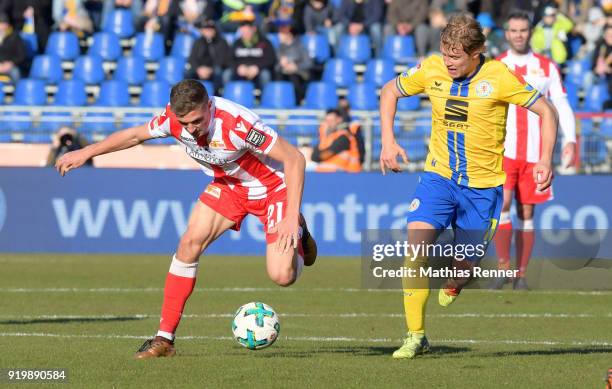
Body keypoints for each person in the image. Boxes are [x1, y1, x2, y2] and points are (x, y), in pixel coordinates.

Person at [55, 79, 318, 359]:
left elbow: (294, 159)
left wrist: (291, 215)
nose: (191, 129)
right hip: (229, 186)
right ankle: (164, 339)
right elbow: (134, 135)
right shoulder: (174, 119)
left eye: (197, 121)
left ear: (209, 105)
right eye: (185, 123)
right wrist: (87, 151)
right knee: (188, 244)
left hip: (272, 189)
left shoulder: (237, 124)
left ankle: (299, 233)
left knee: (282, 275)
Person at [379, 13, 558, 359]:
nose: (448, 62)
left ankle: (457, 280)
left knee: (462, 270)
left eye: (456, 56)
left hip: (483, 188)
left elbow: (547, 111)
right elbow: (389, 91)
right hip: (439, 178)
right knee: (414, 250)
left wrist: (545, 159)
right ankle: (415, 336)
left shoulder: (500, 78)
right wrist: (388, 140)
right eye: (445, 54)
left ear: (477, 53)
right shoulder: (431, 68)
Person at [490, 11, 577, 290]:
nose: (518, 35)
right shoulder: (497, 66)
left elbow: (561, 104)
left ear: (530, 32)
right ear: (507, 33)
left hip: (536, 154)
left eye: (523, 30)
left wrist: (570, 139)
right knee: (502, 205)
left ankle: (521, 274)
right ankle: (504, 268)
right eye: (513, 30)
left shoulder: (546, 67)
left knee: (526, 212)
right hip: (504, 151)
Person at [224, 18, 276, 89]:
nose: (245, 34)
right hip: (240, 71)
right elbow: (229, 59)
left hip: (258, 71)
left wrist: (257, 67)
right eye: (243, 32)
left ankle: (264, 97)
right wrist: (238, 68)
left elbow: (271, 59)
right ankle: (229, 96)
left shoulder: (264, 42)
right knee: (227, 74)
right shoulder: (236, 43)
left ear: (254, 29)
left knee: (265, 74)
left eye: (247, 31)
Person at [186, 18, 230, 92]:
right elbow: (192, 58)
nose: (208, 31)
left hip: (214, 68)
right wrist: (198, 69)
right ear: (202, 31)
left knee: (218, 72)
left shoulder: (222, 42)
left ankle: (217, 93)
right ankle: (190, 94)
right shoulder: (197, 42)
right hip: (200, 69)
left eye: (210, 29)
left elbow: (223, 59)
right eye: (206, 29)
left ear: (215, 30)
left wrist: (210, 69)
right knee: (187, 73)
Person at [275, 21, 312, 103]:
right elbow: (275, 66)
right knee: (279, 77)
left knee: (294, 78)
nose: (279, 36)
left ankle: (297, 102)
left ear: (289, 35)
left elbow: (308, 63)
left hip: (298, 74)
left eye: (282, 34)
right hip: (283, 73)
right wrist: (281, 65)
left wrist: (296, 66)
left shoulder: (300, 47)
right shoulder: (279, 48)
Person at [0, 13, 27, 83]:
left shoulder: (15, 37)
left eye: (2, 23)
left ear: (7, 24)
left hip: (11, 66)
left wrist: (11, 63)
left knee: (16, 73)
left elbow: (21, 55)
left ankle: (18, 92)